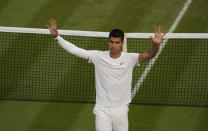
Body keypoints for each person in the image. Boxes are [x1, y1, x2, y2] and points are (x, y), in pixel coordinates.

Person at [47, 18, 166, 131]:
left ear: (122, 43)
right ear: (108, 41)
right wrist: (57, 37)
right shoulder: (98, 56)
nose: (113, 45)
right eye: (111, 42)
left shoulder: (130, 58)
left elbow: (150, 54)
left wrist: (156, 44)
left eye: (117, 42)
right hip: (102, 109)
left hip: (121, 109)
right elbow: (75, 50)